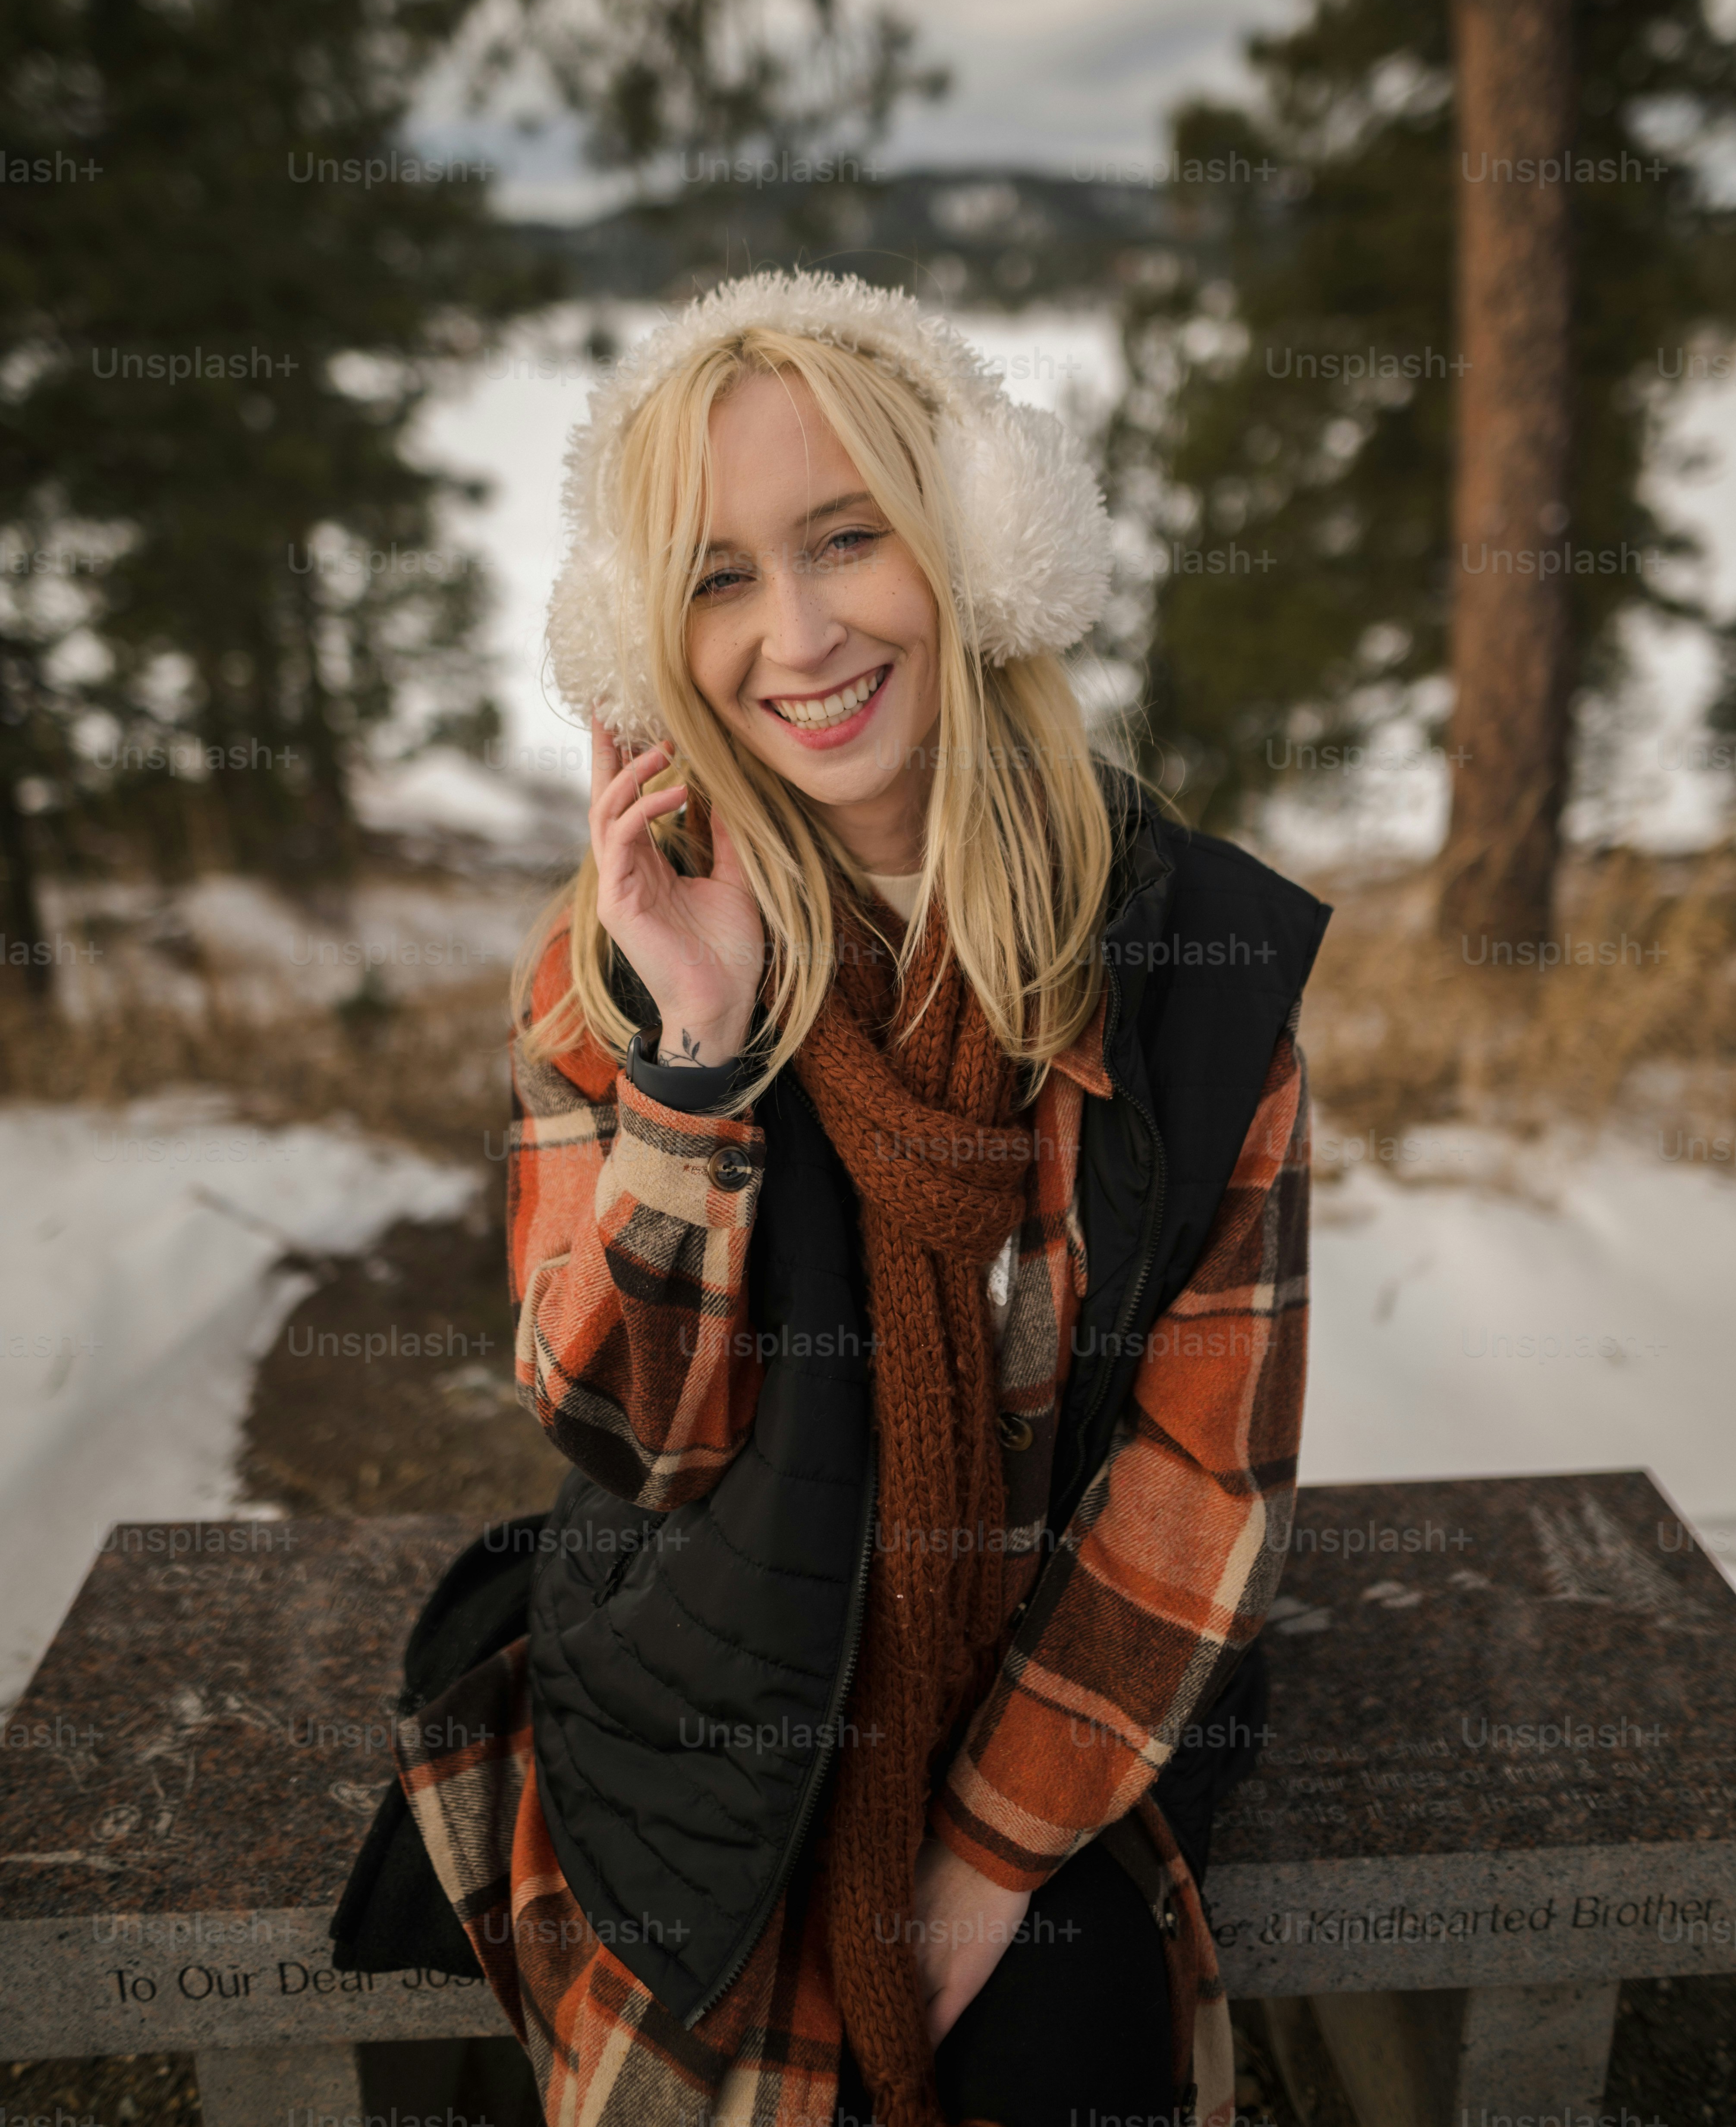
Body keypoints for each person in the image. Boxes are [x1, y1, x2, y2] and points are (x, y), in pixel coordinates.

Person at [333, 271, 1327, 2127]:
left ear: (976, 551)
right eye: (717, 578)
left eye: (846, 540)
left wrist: (987, 1858)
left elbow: (1206, 1485)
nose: (794, 636)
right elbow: (623, 1434)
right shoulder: (624, 953)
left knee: (1058, 2052)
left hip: (1056, 1703)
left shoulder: (1194, 971)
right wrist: (695, 1067)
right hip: (718, 1689)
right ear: (649, 639)